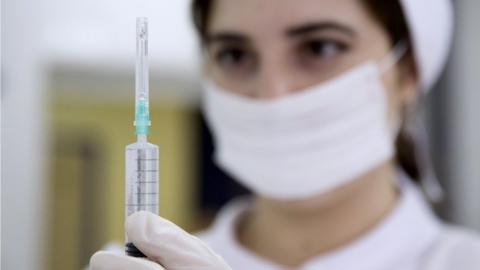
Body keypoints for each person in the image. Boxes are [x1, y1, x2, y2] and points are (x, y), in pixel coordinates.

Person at [90, 0, 480, 269]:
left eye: (320, 47)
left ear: (408, 69)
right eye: (234, 55)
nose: (272, 94)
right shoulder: (132, 264)